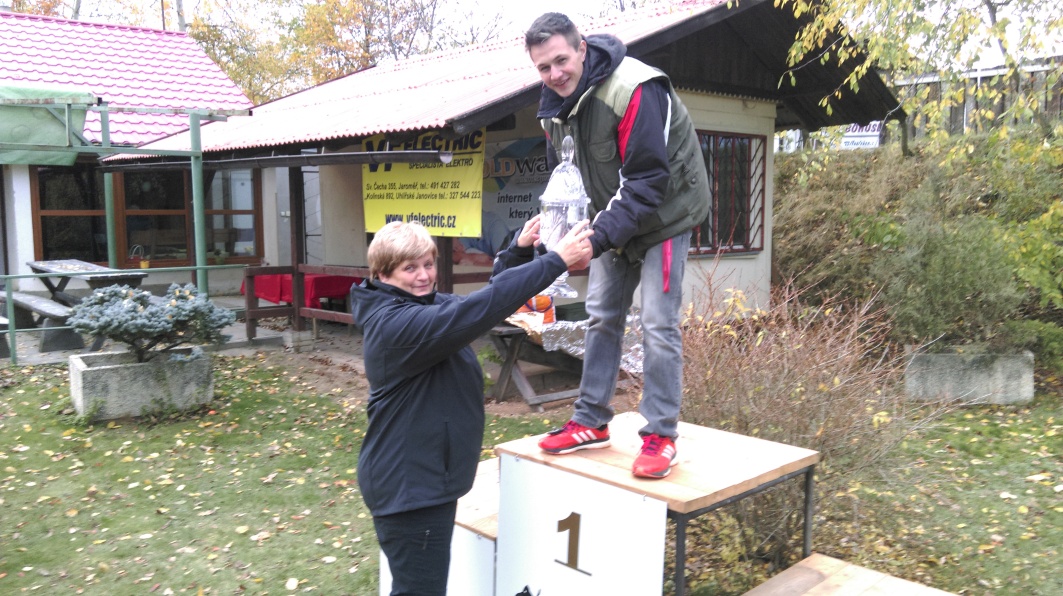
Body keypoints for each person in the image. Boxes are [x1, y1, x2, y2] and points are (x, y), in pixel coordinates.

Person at [351, 216, 592, 595]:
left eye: (428, 264)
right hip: (409, 489)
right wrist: (556, 261)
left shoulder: (424, 305)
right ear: (382, 274)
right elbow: (477, 311)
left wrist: (519, 253)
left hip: (425, 478)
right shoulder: (395, 325)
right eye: (409, 268)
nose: (423, 276)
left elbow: (489, 302)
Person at [525, 12, 711, 479]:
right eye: (544, 67)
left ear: (582, 48)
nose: (555, 74)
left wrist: (598, 238)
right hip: (612, 214)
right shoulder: (552, 110)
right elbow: (567, 177)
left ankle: (661, 435)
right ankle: (591, 420)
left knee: (657, 322)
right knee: (601, 316)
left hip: (666, 213)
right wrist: (558, 227)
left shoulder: (635, 90)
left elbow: (647, 182)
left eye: (561, 60)